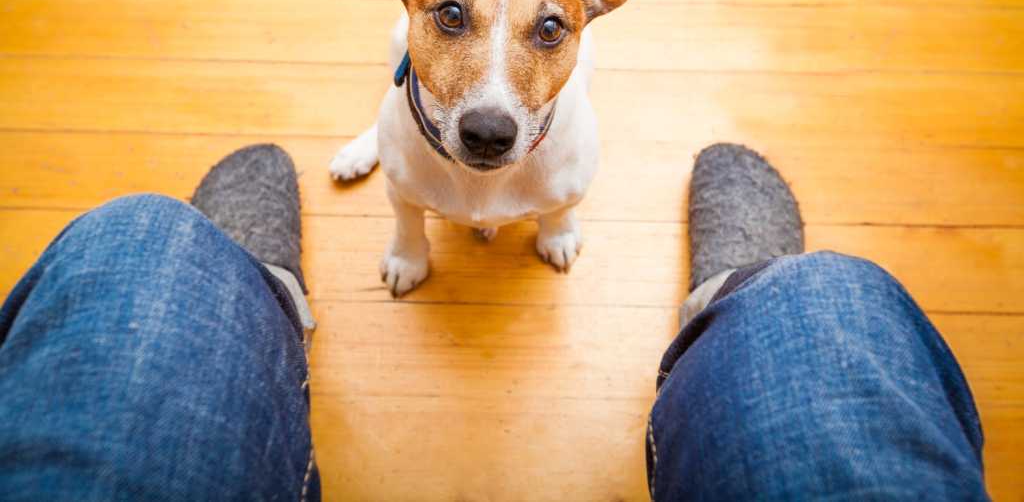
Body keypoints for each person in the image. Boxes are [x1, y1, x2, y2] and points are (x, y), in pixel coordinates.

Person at [0, 144, 988, 500]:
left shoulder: (567, 138)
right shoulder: (416, 106)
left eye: (544, 33)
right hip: (414, 171)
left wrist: (555, 214)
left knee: (138, 243)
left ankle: (240, 293)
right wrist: (411, 238)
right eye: (455, 22)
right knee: (832, 303)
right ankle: (752, 296)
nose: (489, 103)